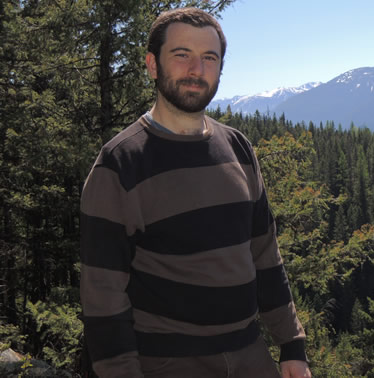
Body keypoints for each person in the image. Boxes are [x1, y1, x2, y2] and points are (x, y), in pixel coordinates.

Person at [80, 7, 311, 378]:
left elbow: (266, 255)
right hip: (168, 362)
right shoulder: (120, 165)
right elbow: (103, 295)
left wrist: (292, 344)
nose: (196, 70)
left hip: (250, 353)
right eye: (181, 55)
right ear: (153, 65)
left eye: (209, 58)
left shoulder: (238, 149)